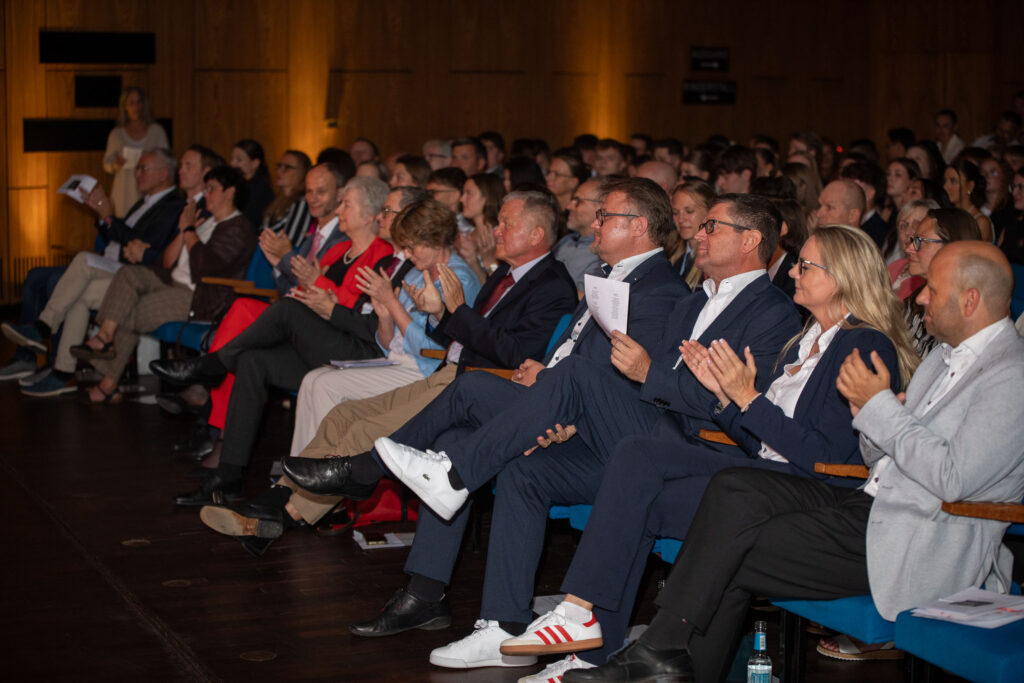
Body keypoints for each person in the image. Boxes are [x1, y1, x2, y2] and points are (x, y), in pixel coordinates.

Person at [564, 241, 1024, 683]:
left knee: (726, 543)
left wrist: (881, 410)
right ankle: (658, 656)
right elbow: (879, 455)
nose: (919, 298)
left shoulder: (1011, 376)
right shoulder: (941, 358)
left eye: (932, 290)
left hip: (917, 536)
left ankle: (655, 654)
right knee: (730, 502)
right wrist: (874, 418)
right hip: (868, 508)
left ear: (970, 300)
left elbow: (952, 479)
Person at [283, 178, 688, 654]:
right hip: (553, 400)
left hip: (593, 429)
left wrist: (554, 387)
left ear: (638, 226)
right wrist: (544, 370)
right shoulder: (609, 274)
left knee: (470, 388)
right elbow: (574, 356)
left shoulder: (660, 290)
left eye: (606, 216)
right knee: (452, 439)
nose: (594, 224)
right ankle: (441, 600)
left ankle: (367, 471)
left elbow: (632, 382)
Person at [508, 225, 917, 679]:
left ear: (840, 276)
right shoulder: (805, 341)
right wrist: (724, 398)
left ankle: (606, 639)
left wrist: (747, 399)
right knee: (639, 463)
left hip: (808, 489)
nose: (792, 272)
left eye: (805, 265)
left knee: (655, 481)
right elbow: (759, 438)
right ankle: (586, 633)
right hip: (762, 472)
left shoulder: (863, 344)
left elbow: (824, 455)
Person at [200, 191, 577, 556]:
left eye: (506, 224)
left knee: (364, 430)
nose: (496, 230)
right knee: (342, 415)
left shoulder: (552, 285)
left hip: (476, 384)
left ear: (536, 235)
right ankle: (278, 500)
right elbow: (461, 336)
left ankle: (278, 516)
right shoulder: (506, 275)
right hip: (450, 371)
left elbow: (516, 353)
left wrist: (453, 312)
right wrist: (440, 313)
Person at [155, 177, 396, 503]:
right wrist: (294, 278)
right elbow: (309, 295)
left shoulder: (382, 256)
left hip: (356, 350)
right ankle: (228, 477)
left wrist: (319, 288)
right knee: (252, 360)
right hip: (323, 343)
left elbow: (362, 319)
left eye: (346, 204)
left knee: (286, 310)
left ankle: (212, 364)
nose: (338, 210)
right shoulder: (339, 250)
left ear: (369, 215)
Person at [2, 148, 185, 397]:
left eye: (144, 169)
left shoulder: (174, 205)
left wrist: (108, 216)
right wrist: (103, 215)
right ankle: (63, 372)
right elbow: (118, 236)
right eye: (137, 169)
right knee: (75, 292)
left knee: (81, 262)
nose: (137, 174)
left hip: (138, 276)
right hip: (117, 267)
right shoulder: (144, 203)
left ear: (164, 174)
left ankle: (43, 329)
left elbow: (143, 244)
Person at [72, 165, 256, 403]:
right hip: (172, 280)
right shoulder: (206, 221)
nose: (206, 194)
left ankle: (108, 383)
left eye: (211, 189)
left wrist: (188, 229)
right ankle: (105, 336)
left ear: (230, 193)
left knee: (131, 311)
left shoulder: (239, 227)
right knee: (128, 274)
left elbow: (204, 267)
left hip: (201, 297)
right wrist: (183, 230)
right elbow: (167, 261)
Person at [904, 207, 982, 358]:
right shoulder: (915, 302)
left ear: (952, 246)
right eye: (913, 240)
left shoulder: (965, 317)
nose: (909, 248)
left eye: (920, 241)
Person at [102, 87, 169, 217]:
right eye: (131, 103)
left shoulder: (156, 131)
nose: (136, 107)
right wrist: (115, 164)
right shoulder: (116, 134)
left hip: (149, 190)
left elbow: (167, 161)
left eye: (139, 102)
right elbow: (106, 164)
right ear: (125, 107)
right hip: (124, 191)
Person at [552, 178, 605, 291]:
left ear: (600, 208)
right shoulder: (567, 240)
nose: (568, 206)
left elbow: (588, 299)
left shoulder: (601, 252)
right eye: (572, 199)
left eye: (578, 201)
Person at [456, 173, 506, 283]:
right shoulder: (466, 234)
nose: (462, 199)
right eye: (463, 193)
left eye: (468, 193)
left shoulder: (501, 235)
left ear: (487, 197)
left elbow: (501, 286)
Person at [885, 199, 938, 301]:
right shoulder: (895, 266)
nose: (908, 232)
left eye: (917, 225)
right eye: (904, 226)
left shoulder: (929, 274)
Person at [260, 150, 312, 244]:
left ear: (301, 173)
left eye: (287, 167)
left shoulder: (302, 202)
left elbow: (292, 241)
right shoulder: (278, 200)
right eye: (279, 165)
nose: (279, 171)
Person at [668, 179, 713, 289]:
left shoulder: (715, 261)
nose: (681, 219)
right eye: (675, 213)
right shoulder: (669, 251)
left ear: (709, 212)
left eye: (689, 211)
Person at [944, 159, 994, 242]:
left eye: (953, 181)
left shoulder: (980, 222)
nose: (946, 186)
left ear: (970, 186)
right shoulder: (946, 215)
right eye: (945, 181)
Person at [229, 139, 274, 231]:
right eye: (232, 159)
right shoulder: (238, 185)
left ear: (255, 163)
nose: (232, 163)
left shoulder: (260, 190)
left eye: (239, 160)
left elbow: (248, 222)